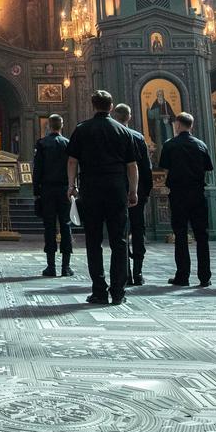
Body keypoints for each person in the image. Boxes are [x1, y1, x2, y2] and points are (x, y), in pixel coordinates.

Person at [66, 90, 138, 305]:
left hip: (91, 189)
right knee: (119, 241)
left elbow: (72, 161)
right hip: (116, 188)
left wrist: (72, 185)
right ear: (111, 105)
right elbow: (132, 166)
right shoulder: (123, 131)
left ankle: (99, 290)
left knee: (93, 241)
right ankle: (118, 292)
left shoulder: (82, 129)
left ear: (93, 105)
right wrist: (133, 190)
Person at [159, 112, 212, 288]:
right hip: (198, 194)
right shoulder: (201, 145)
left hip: (179, 194)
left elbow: (165, 170)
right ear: (191, 125)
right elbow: (206, 169)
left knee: (180, 235)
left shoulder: (170, 145)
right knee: (202, 236)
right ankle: (205, 277)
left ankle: (183, 275)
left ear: (178, 125)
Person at [112, 103, 152, 285]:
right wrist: (146, 190)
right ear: (129, 117)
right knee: (138, 230)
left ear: (114, 115)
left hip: (116, 190)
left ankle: (124, 272)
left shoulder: (111, 135)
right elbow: (145, 168)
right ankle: (138, 272)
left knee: (119, 231)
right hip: (137, 191)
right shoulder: (137, 137)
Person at [32, 113, 73, 278]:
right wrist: (73, 186)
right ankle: (66, 267)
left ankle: (51, 266)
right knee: (66, 226)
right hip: (64, 190)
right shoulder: (68, 144)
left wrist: (36, 192)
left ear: (49, 125)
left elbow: (38, 169)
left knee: (49, 227)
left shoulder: (42, 144)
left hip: (47, 190)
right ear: (61, 125)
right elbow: (73, 166)